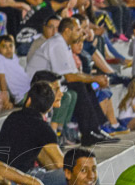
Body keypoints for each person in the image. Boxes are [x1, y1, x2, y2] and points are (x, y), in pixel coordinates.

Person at [25, 17, 116, 147]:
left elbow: (74, 73)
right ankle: (89, 132)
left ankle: (95, 129)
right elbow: (69, 77)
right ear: (67, 31)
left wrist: (95, 79)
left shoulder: (64, 45)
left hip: (49, 82)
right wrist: (95, 78)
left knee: (85, 84)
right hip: (36, 86)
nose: (82, 33)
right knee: (78, 85)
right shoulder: (57, 44)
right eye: (78, 30)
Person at [0, 81, 66, 185]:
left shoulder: (12, 117)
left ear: (29, 100)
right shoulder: (43, 128)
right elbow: (61, 164)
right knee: (78, 174)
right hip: (24, 180)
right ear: (49, 108)